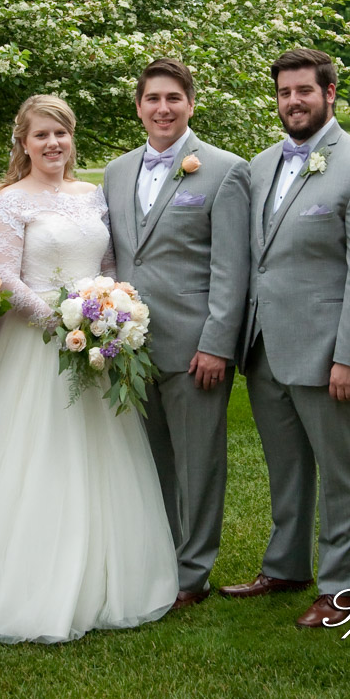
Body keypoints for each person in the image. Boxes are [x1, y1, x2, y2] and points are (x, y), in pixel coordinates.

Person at [0, 94, 177, 643]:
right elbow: (5, 277)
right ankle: (24, 583)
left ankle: (109, 576)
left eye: (61, 134)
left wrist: (109, 311)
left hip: (95, 341)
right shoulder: (7, 201)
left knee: (102, 459)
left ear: (71, 138)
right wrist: (64, 324)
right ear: (24, 143)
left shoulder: (93, 194)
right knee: (37, 459)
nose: (52, 144)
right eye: (41, 136)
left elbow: (105, 264)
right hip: (37, 348)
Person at [221, 48, 350, 629]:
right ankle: (286, 565)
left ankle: (340, 586)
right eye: (283, 93)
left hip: (329, 352)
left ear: (329, 93)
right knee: (286, 466)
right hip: (265, 345)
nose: (292, 101)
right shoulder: (259, 165)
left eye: (304, 91)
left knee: (341, 471)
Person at [102, 58, 250, 609]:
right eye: (152, 99)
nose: (163, 109)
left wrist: (216, 343)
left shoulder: (224, 170)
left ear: (191, 103)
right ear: (138, 106)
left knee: (198, 462)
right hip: (130, 346)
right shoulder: (116, 172)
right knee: (150, 459)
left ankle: (193, 571)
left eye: (174, 99)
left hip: (195, 345)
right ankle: (158, 554)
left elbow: (231, 269)